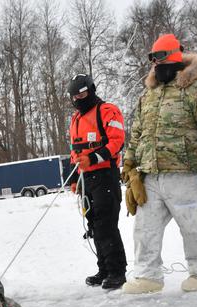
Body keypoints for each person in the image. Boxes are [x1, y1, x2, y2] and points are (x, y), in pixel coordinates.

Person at [120, 33, 197, 294]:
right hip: (150, 176)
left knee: (193, 226)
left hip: (184, 172)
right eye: (154, 61)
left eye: (161, 59)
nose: (157, 65)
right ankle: (148, 276)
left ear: (175, 59)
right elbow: (137, 132)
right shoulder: (149, 95)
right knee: (145, 229)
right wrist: (129, 163)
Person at [67, 74, 128, 290]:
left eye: (82, 94)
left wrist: (93, 158)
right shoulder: (75, 119)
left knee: (106, 225)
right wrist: (74, 178)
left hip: (105, 176)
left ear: (91, 90)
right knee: (93, 224)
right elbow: (75, 152)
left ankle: (116, 271)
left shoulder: (107, 111)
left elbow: (117, 142)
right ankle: (103, 268)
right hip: (86, 179)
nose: (78, 99)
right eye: (74, 96)